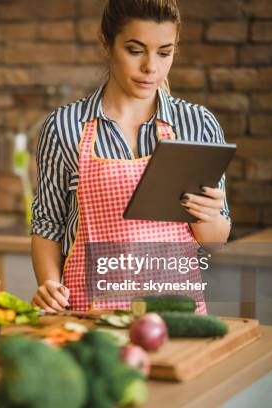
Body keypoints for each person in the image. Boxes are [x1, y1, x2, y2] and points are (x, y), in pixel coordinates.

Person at [30, 0, 231, 313]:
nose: (151, 67)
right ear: (106, 44)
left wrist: (209, 215)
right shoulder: (65, 127)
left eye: (164, 52)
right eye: (135, 50)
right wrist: (49, 284)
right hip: (89, 315)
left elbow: (214, 241)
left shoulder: (197, 124)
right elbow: (48, 224)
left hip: (175, 316)